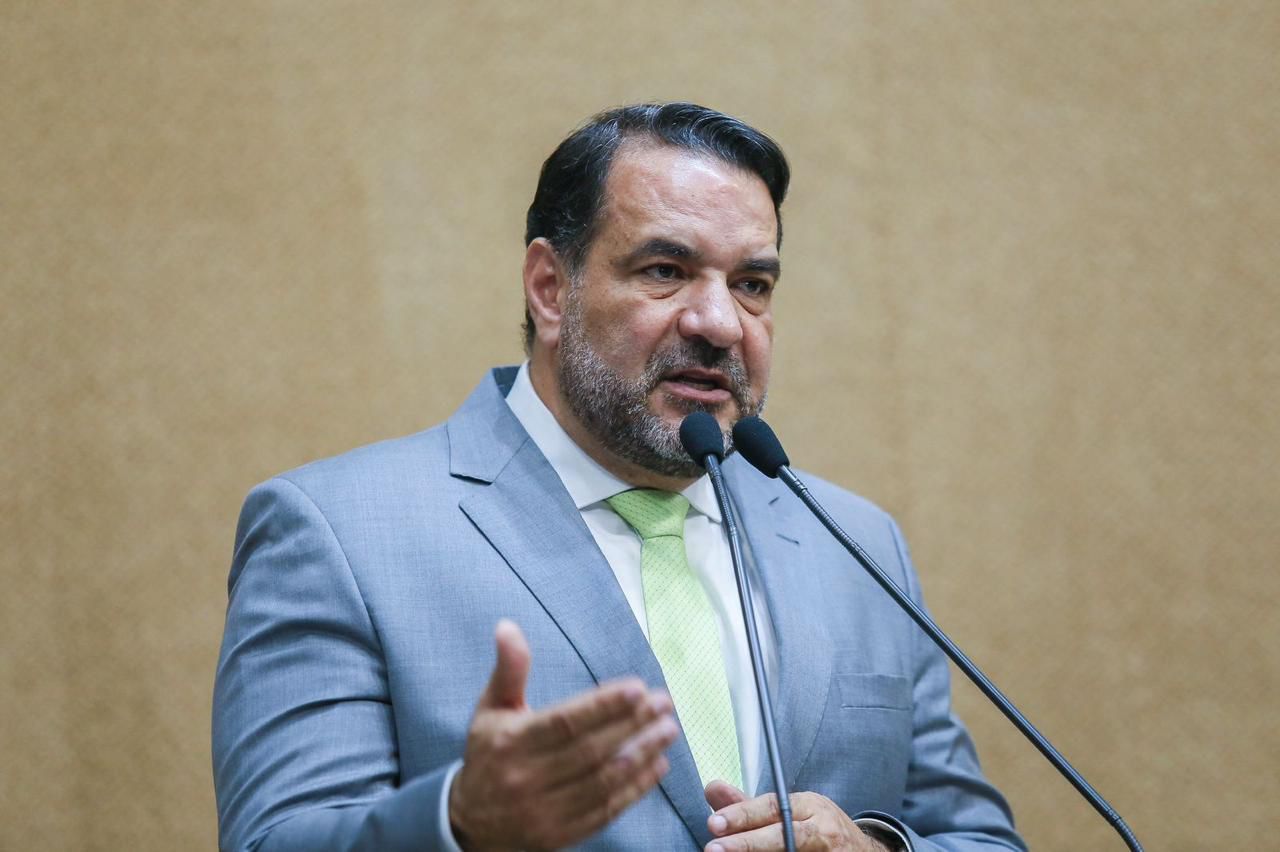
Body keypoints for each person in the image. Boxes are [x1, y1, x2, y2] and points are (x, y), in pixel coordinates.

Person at [212, 102, 1025, 852]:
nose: (718, 324)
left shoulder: (852, 541)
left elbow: (979, 838)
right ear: (550, 288)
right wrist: (458, 823)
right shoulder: (340, 532)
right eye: (665, 270)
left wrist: (878, 850)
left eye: (752, 284)